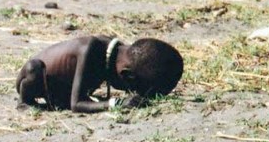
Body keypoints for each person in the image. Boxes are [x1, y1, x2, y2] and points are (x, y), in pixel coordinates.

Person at [16, 36, 183, 113]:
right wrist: (115, 103)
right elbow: (77, 104)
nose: (129, 92)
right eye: (133, 89)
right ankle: (24, 102)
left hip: (61, 89)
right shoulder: (91, 50)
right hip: (37, 79)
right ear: (127, 76)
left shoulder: (115, 53)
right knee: (34, 69)